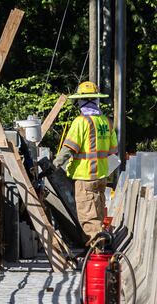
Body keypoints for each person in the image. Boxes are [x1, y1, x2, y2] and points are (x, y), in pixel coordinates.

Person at [51, 81, 118, 242]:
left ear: (82, 101)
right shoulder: (106, 122)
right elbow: (112, 150)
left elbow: (69, 149)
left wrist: (54, 165)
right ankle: (101, 249)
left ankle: (97, 254)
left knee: (89, 219)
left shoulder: (80, 122)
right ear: (95, 100)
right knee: (99, 214)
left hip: (85, 177)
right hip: (101, 176)